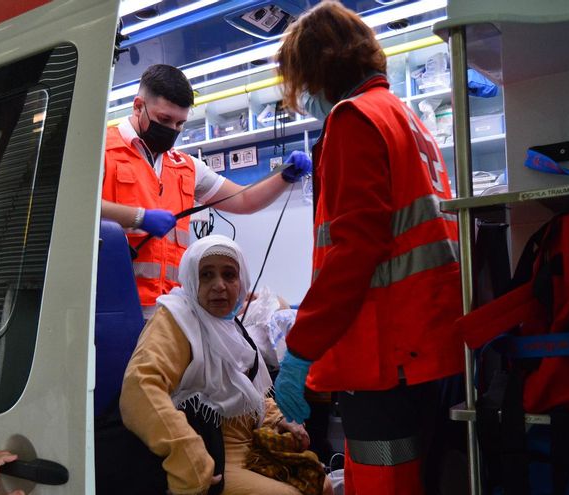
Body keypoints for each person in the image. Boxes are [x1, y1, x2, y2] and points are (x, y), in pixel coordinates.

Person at [272, 2, 464, 494]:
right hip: (428, 344)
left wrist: (301, 348)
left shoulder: (354, 119)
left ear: (316, 69)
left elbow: (355, 250)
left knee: (386, 481)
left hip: (387, 355)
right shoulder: (406, 118)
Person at [120, 235, 329, 495]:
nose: (219, 285)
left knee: (324, 484)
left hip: (249, 446)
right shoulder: (175, 320)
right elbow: (139, 389)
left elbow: (247, 391)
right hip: (212, 452)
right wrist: (190, 459)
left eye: (229, 275)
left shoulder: (231, 326)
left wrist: (279, 420)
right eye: (206, 275)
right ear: (191, 281)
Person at [101, 64, 311, 320]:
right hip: (112, 309)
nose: (172, 130)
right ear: (138, 106)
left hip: (172, 311)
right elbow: (75, 209)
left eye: (180, 123)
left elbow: (243, 199)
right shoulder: (102, 151)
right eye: (164, 120)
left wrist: (283, 177)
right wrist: (139, 217)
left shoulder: (185, 166)